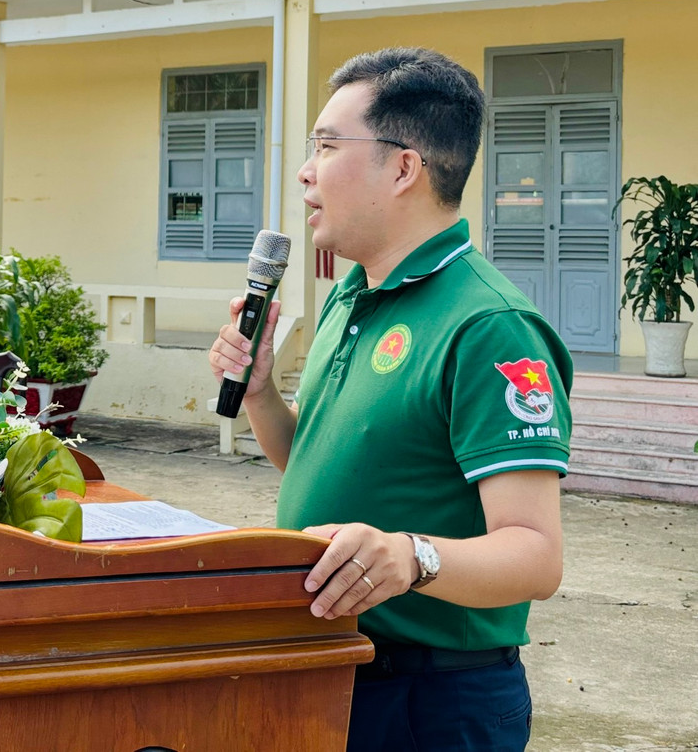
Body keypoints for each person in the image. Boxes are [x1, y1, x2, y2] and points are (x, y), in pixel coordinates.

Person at [208, 47, 571, 752]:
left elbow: (536, 556)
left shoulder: (489, 326)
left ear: (404, 167)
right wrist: (261, 395)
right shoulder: (351, 294)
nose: (306, 171)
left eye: (326, 146)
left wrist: (411, 556)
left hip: (435, 697)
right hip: (337, 667)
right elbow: (323, 463)